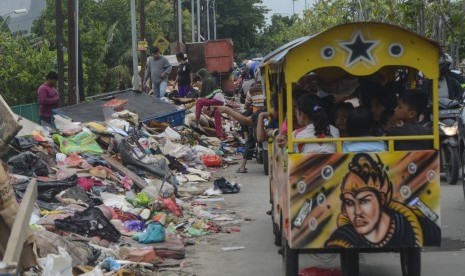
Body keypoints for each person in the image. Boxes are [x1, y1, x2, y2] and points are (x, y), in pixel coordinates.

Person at [325, 153, 440, 248]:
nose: (357, 212)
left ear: (381, 199)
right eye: (349, 202)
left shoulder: (418, 229)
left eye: (364, 201)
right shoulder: (341, 238)